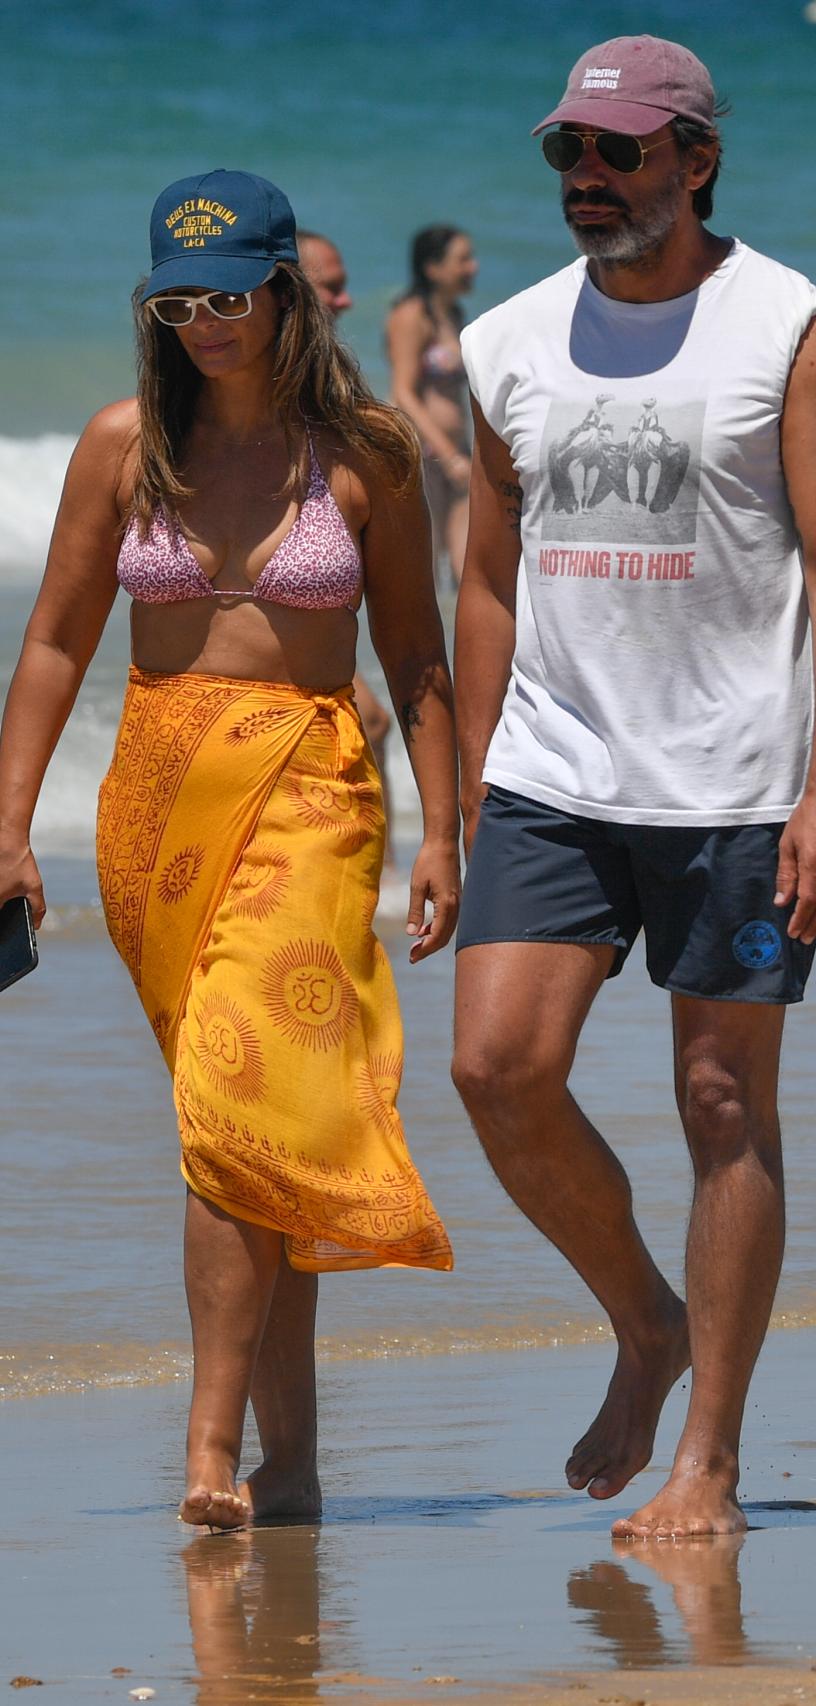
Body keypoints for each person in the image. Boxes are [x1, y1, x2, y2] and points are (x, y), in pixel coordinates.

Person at [452, 37, 816, 1539]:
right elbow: (487, 579)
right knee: (496, 1068)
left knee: (720, 1099)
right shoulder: (505, 341)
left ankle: (710, 1457)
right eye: (568, 150)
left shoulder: (792, 327)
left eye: (620, 152)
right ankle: (645, 1319)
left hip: (739, 787)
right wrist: (466, 784)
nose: (588, 178)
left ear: (696, 158)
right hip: (553, 774)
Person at [0, 169, 460, 1530]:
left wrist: (449, 827)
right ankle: (297, 1459)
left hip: (315, 788)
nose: (207, 322)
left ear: (284, 290)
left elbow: (417, 648)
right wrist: (9, 821)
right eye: (178, 301)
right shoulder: (121, 444)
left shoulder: (368, 451)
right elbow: (54, 642)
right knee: (260, 1127)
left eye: (232, 295)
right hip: (154, 804)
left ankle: (208, 1450)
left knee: (234, 1101)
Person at [296, 225, 398, 870]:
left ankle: (375, 869)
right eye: (331, 288)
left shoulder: (335, 394)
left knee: (375, 722)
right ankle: (371, 869)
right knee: (372, 722)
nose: (346, 301)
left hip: (318, 607)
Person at [385, 226, 478, 586]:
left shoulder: (454, 314)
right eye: (463, 260)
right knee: (424, 571)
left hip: (458, 453)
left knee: (468, 570)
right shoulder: (410, 316)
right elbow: (403, 392)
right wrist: (449, 455)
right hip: (423, 455)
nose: (473, 267)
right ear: (433, 268)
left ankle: (466, 642)